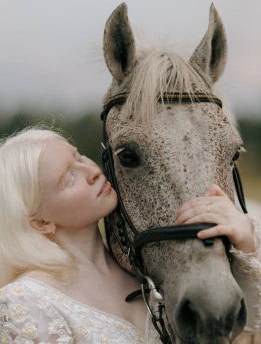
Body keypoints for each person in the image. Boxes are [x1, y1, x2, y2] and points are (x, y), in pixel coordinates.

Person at [0, 127, 260, 343]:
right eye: (68, 178)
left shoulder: (146, 269)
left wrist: (245, 243)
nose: (91, 172)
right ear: (41, 222)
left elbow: (237, 337)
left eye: (78, 157)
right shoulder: (27, 301)